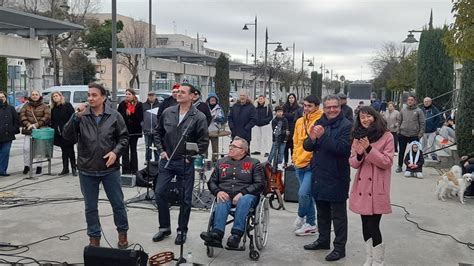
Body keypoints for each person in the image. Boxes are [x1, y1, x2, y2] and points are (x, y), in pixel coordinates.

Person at [63, 83, 129, 248]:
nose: (90, 98)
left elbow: (124, 138)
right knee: (90, 207)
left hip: (109, 169)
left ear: (103, 97)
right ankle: (94, 237)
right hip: (87, 168)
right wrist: (75, 117)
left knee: (118, 204)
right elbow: (67, 136)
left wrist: (115, 152)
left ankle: (122, 233)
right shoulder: (81, 116)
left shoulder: (114, 116)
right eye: (89, 95)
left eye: (94, 95)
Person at [152, 83, 209, 245]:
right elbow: (157, 132)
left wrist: (190, 156)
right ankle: (164, 227)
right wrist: (161, 150)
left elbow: (203, 142)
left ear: (193, 96)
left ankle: (181, 230)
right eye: (177, 92)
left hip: (185, 162)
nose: (178, 94)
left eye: (183, 92)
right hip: (166, 161)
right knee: (160, 193)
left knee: (185, 198)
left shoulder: (199, 117)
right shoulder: (167, 112)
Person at [303, 94, 352, 262]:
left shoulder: (347, 125)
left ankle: (340, 248)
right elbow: (307, 146)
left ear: (340, 108)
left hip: (337, 176)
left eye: (335, 107)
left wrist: (322, 136)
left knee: (338, 216)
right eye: (329, 107)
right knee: (322, 212)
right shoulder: (319, 122)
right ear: (324, 108)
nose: (332, 110)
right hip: (319, 174)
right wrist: (312, 138)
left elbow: (342, 149)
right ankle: (323, 240)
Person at [200, 137, 265, 248]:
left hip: (247, 196)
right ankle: (217, 234)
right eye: (230, 145)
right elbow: (211, 182)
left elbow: (260, 184)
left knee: (244, 200)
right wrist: (218, 191)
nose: (230, 148)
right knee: (222, 199)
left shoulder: (254, 163)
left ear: (242, 150)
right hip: (226, 194)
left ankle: (236, 235)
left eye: (234, 146)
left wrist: (243, 193)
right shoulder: (221, 162)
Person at [349, 106, 394, 266]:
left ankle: (378, 260)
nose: (365, 119)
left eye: (368, 116)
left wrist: (369, 148)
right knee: (365, 225)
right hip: (362, 188)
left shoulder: (387, 136)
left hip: (377, 188)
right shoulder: (357, 137)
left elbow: (387, 162)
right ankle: (369, 257)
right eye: (362, 117)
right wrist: (360, 154)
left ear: (375, 117)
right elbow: (353, 163)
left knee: (374, 225)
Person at [292, 94, 323, 236]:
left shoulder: (321, 120)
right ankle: (310, 223)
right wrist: (294, 157)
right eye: (304, 105)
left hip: (312, 164)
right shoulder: (299, 121)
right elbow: (296, 142)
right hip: (299, 163)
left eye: (310, 106)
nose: (306, 108)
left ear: (316, 107)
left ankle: (301, 214)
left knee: (303, 193)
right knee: (307, 195)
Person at [20, 90, 51, 175]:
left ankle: (39, 166)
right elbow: (22, 115)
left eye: (36, 94)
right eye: (33, 94)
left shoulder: (45, 106)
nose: (34, 96)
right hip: (29, 129)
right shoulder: (26, 105)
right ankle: (27, 165)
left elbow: (47, 117)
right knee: (26, 148)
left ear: (39, 96)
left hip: (40, 130)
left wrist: (36, 125)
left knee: (39, 149)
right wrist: (28, 124)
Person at [396, 95, 425, 173]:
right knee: (401, 151)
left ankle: (415, 168)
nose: (410, 101)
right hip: (403, 134)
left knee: (415, 152)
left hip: (414, 135)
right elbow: (399, 121)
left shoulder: (419, 111)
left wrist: (420, 134)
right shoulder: (403, 110)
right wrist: (398, 131)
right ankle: (399, 166)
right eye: (408, 100)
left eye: (411, 100)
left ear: (414, 101)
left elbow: (422, 123)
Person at [117, 88, 143, 175]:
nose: (127, 96)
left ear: (133, 95)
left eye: (129, 94)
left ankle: (134, 169)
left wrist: (132, 114)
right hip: (125, 131)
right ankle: (125, 170)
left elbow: (140, 118)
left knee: (133, 150)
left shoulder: (138, 105)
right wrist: (126, 114)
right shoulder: (122, 104)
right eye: (126, 94)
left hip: (134, 131)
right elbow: (119, 117)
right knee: (124, 150)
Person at [50, 91, 76, 176]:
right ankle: (65, 168)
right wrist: (55, 128)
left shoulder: (67, 105)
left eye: (56, 96)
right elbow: (53, 121)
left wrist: (69, 128)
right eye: (53, 96)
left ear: (60, 96)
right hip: (59, 132)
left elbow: (72, 117)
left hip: (68, 131)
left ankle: (74, 168)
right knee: (64, 151)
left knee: (70, 150)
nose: (55, 97)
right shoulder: (53, 108)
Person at [0, 91, 20, 176]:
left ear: (5, 98)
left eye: (2, 97)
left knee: (5, 153)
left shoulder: (11, 108)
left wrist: (13, 129)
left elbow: (16, 120)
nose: (1, 99)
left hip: (7, 135)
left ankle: (2, 170)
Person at [283, 93, 300, 167]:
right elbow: (284, 115)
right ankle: (285, 162)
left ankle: (293, 161)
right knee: (285, 147)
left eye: (292, 98)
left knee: (293, 147)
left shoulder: (298, 107)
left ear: (295, 98)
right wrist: (291, 115)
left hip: (294, 128)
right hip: (286, 128)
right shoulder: (284, 107)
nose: (291, 99)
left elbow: (295, 117)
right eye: (290, 98)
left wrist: (288, 115)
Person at [206, 92, 225, 162]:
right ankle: (205, 160)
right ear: (208, 100)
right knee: (205, 146)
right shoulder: (205, 107)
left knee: (215, 147)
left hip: (215, 130)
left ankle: (215, 161)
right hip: (206, 130)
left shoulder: (219, 108)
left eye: (214, 99)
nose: (212, 100)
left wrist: (216, 118)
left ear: (216, 100)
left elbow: (223, 119)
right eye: (211, 98)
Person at [142, 91, 160, 162]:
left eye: (152, 95)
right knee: (147, 147)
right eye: (149, 95)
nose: (151, 97)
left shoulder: (160, 105)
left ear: (155, 96)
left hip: (156, 131)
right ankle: (147, 160)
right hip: (147, 130)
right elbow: (140, 117)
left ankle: (157, 161)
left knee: (157, 147)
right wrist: (142, 125)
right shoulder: (143, 105)